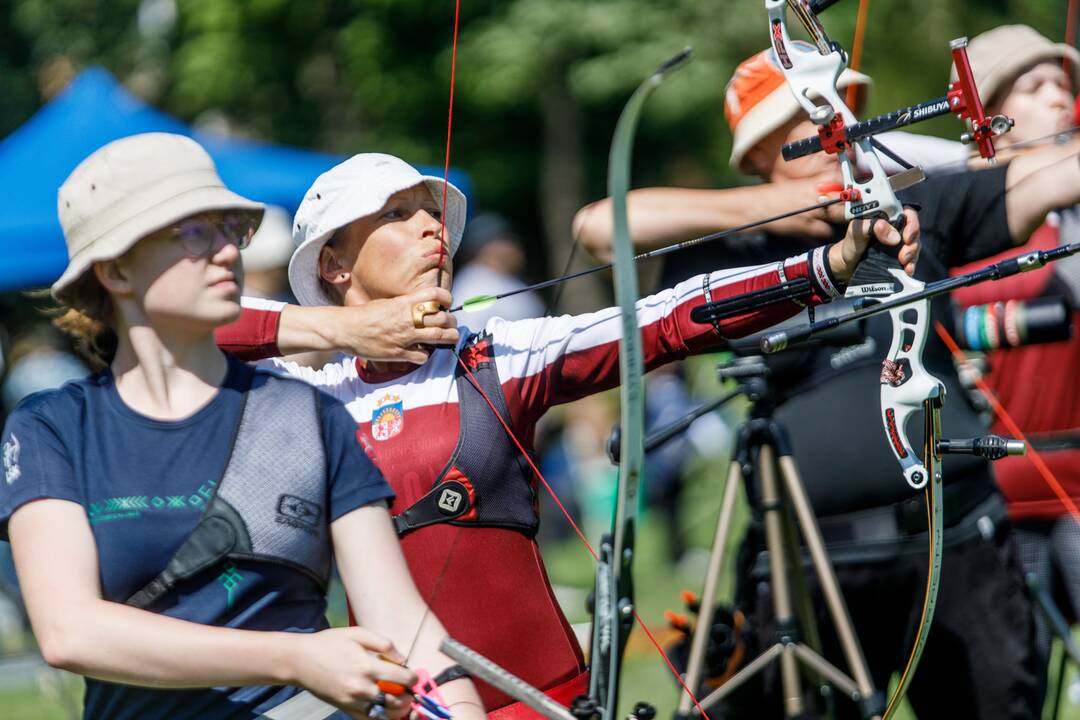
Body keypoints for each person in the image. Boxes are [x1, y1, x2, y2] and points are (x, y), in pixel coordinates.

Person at [212, 151, 919, 715]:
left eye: (432, 212)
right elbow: (172, 327)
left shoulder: (499, 359)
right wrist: (342, 330)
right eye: (399, 215)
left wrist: (824, 268)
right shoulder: (306, 398)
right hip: (408, 707)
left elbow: (669, 318)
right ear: (333, 265)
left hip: (543, 701)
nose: (432, 226)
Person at [573, 44, 1080, 718]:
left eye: (842, 108)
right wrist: (774, 211)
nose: (839, 125)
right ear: (761, 153)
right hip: (806, 566)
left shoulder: (910, 206)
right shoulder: (730, 254)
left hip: (952, 546)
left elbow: (1048, 179)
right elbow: (597, 226)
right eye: (813, 116)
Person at [0, 133, 482, 720]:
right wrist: (294, 659)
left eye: (231, 230)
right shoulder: (53, 427)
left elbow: (402, 621)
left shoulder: (309, 415)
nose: (228, 252)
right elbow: (69, 631)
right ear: (116, 270)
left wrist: (459, 706)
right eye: (194, 234)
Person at [944, 25, 1080, 703]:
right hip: (990, 497)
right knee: (1010, 689)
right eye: (1035, 86)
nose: (1061, 98)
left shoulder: (1072, 210)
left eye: (1064, 84)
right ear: (986, 115)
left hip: (1077, 491)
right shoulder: (944, 214)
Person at [451, 213, 543, 328]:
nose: (517, 246)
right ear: (487, 247)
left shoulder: (508, 279)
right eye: (508, 239)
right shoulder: (473, 285)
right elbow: (469, 335)